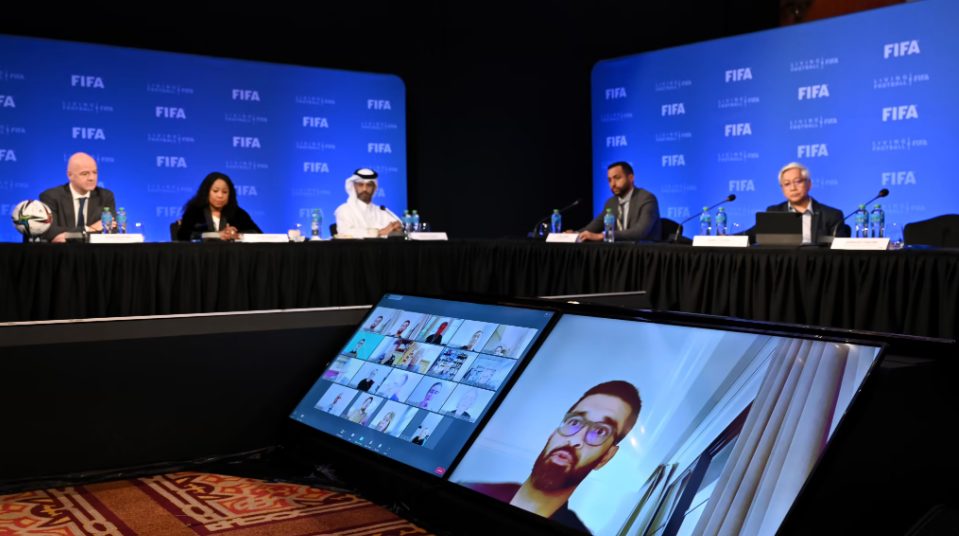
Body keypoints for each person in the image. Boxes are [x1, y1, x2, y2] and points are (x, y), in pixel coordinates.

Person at [460, 380, 641, 534]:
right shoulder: (470, 490)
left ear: (606, 457)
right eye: (574, 422)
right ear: (553, 434)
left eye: (600, 431)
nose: (575, 439)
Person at [39, 152, 117, 243]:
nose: (92, 178)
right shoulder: (51, 196)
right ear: (70, 175)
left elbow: (112, 230)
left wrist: (68, 236)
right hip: (63, 251)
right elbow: (49, 231)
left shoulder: (105, 196)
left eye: (95, 172)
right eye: (85, 174)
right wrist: (89, 229)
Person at [577, 161, 661, 242]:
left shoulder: (646, 198)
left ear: (631, 178)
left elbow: (640, 232)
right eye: (609, 180)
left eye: (617, 178)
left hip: (644, 250)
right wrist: (575, 234)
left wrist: (603, 235)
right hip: (620, 250)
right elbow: (592, 227)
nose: (612, 184)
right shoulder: (611, 203)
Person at [765, 162, 848, 242]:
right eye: (787, 184)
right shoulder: (774, 212)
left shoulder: (831, 215)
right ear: (782, 189)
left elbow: (839, 249)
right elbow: (761, 242)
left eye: (798, 182)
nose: (793, 188)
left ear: (809, 184)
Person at [176, 171, 262, 241]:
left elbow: (258, 234)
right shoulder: (194, 211)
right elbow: (183, 236)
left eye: (225, 192)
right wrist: (217, 235)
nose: (220, 196)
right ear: (206, 192)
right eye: (215, 191)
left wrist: (238, 235)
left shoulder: (238, 213)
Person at [333, 168, 403, 237]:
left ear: (374, 188)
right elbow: (345, 233)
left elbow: (395, 228)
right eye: (360, 185)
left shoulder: (381, 211)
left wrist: (396, 228)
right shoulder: (344, 210)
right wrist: (379, 232)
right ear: (354, 187)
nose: (365, 189)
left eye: (369, 185)